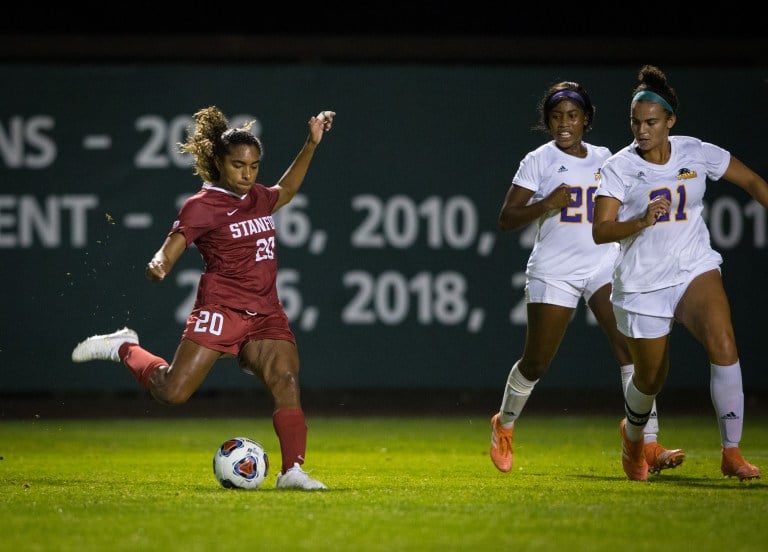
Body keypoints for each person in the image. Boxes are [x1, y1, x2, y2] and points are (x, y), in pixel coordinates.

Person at [72, 106, 336, 490]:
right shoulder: (202, 205)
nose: (247, 174)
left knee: (287, 379)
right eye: (238, 165)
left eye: (254, 166)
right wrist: (160, 263)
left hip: (265, 311)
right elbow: (175, 243)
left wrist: (311, 144)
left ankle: (291, 471)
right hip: (222, 309)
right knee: (171, 392)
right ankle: (125, 347)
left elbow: (289, 188)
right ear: (218, 162)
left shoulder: (258, 197)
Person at [489, 81, 684, 474]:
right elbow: (506, 218)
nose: (565, 123)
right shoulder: (538, 160)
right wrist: (546, 204)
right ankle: (504, 422)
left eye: (573, 116)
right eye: (557, 116)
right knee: (537, 362)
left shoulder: (605, 157)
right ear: (547, 121)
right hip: (554, 269)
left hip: (602, 264)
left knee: (630, 350)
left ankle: (646, 442)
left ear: (586, 120)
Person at [593, 65, 766, 481]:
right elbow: (601, 230)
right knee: (651, 379)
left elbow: (755, 183)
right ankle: (633, 438)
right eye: (635, 122)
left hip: (693, 267)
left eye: (651, 122)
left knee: (723, 340)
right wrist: (639, 222)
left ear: (670, 121)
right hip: (641, 283)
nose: (642, 130)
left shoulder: (697, 152)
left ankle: (732, 451)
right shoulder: (620, 168)